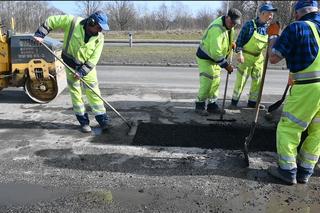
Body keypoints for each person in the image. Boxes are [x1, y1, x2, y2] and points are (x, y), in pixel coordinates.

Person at [267, 0, 320, 185]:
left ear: (298, 12)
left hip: (308, 88)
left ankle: (287, 171)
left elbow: (274, 57)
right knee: (318, 132)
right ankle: (305, 171)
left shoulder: (296, 28)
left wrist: (273, 38)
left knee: (289, 128)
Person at [34, 11, 110, 133]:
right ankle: (83, 122)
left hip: (87, 69)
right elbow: (52, 20)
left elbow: (93, 59)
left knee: (94, 93)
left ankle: (102, 119)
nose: (100, 30)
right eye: (99, 27)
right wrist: (40, 34)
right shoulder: (72, 22)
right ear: (91, 22)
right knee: (76, 94)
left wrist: (82, 72)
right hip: (69, 66)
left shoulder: (99, 38)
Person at [195, 8, 242, 116]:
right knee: (207, 81)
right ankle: (199, 105)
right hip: (206, 58)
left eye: (235, 24)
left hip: (216, 59)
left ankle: (212, 105)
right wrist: (226, 66)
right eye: (231, 22)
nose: (233, 25)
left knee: (216, 82)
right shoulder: (216, 28)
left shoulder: (230, 26)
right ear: (227, 17)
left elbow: (228, 38)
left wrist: (232, 43)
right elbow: (215, 53)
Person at [229, 3, 277, 109]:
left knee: (257, 81)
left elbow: (272, 45)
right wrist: (239, 54)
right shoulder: (249, 25)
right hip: (245, 57)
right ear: (262, 13)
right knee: (240, 81)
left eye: (272, 14)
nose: (271, 16)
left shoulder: (269, 28)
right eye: (270, 14)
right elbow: (239, 41)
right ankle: (234, 103)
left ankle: (252, 103)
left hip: (259, 58)